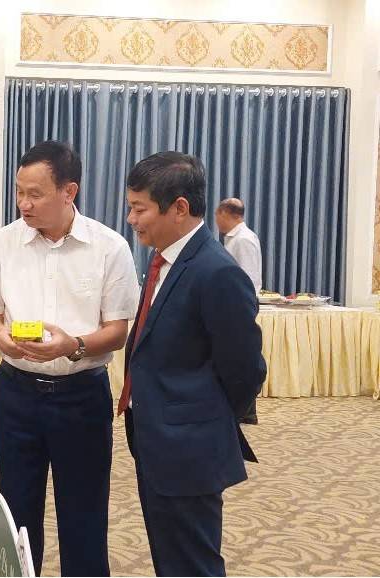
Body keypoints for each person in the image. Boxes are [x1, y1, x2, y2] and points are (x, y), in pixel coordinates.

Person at [0, 141, 139, 576]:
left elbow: (118, 330)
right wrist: (1, 338)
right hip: (17, 393)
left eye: (35, 194)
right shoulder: (4, 243)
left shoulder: (109, 247)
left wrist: (73, 346)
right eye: (19, 192)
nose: (24, 203)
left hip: (81, 395)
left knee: (84, 512)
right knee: (17, 512)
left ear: (69, 191)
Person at [122, 152, 266, 577]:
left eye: (139, 208)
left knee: (194, 565)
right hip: (159, 441)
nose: (131, 218)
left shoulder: (216, 271)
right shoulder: (165, 259)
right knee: (171, 559)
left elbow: (246, 370)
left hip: (189, 447)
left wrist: (206, 421)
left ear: (179, 208)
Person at [214, 198, 263, 293]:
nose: (216, 220)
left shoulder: (243, 239)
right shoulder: (236, 238)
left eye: (216, 215)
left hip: (240, 302)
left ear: (223, 213)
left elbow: (248, 278)